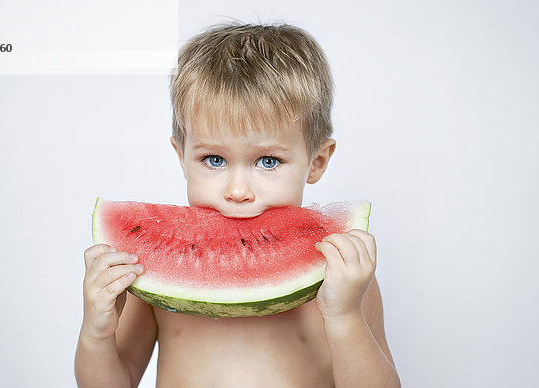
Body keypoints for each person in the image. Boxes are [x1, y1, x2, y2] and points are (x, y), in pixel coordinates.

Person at [75, 22, 401, 387]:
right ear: (181, 156)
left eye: (268, 161)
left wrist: (344, 315)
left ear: (317, 161)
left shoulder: (343, 273)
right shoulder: (145, 273)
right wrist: (97, 333)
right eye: (214, 160)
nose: (238, 190)